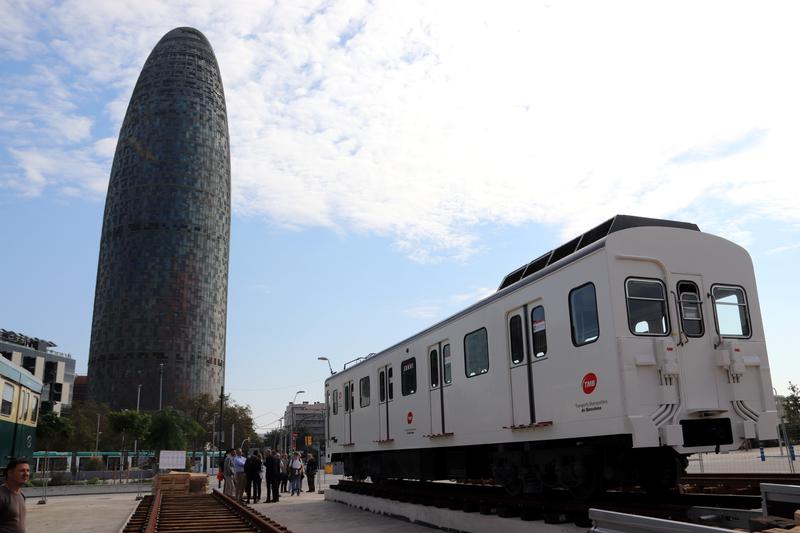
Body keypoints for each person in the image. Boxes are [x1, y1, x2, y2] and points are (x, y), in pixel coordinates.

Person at [0, 457, 30, 533]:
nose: (26, 474)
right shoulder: (1, 495)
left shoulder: (21, 494)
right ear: (10, 473)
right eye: (21, 471)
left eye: (28, 470)